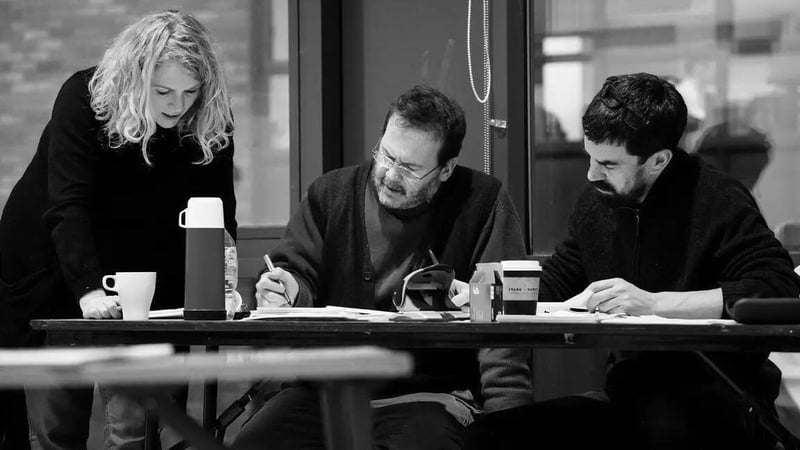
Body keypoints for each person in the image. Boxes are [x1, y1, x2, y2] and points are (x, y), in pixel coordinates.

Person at [464, 73, 800, 450]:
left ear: (658, 160)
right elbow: (559, 280)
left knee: (665, 424)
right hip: (630, 399)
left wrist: (655, 304)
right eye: (590, 158)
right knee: (491, 436)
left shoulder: (718, 200)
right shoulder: (598, 203)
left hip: (719, 402)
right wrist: (480, 292)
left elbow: (777, 286)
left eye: (608, 164)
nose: (591, 174)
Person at [234, 85, 534, 449]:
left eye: (410, 168)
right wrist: (289, 291)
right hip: (325, 392)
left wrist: (510, 422)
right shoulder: (331, 194)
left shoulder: (483, 203)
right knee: (255, 441)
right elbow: (295, 272)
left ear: (446, 169)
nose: (391, 175)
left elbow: (505, 328)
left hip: (430, 395)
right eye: (386, 155)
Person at [0, 10, 237, 449]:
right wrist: (89, 291)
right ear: (134, 79)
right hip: (56, 265)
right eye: (162, 90)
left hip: (147, 273)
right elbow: (68, 205)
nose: (176, 104)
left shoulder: (208, 119)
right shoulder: (85, 97)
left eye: (189, 92)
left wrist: (221, 285)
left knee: (139, 430)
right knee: (55, 429)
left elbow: (218, 215)